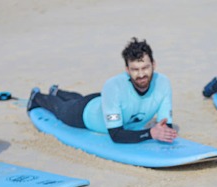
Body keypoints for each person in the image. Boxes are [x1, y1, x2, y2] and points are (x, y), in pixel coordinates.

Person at [26, 37, 177, 144]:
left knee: (78, 99)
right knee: (62, 110)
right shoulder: (114, 86)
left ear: (154, 64)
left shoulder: (163, 83)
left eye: (145, 67)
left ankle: (57, 91)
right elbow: (116, 135)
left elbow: (166, 125)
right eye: (135, 70)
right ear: (127, 70)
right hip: (86, 114)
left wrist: (162, 130)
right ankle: (37, 97)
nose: (141, 74)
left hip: (105, 102)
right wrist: (150, 133)